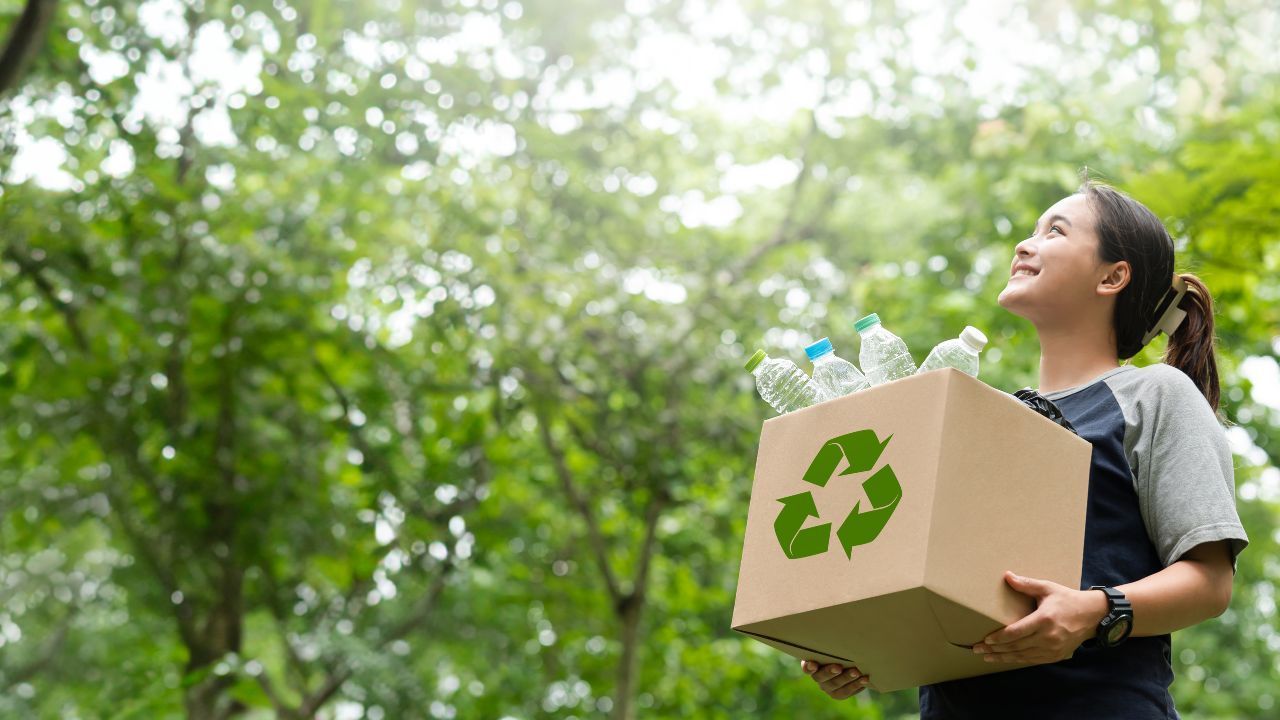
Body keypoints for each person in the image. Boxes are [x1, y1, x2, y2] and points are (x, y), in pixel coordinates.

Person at [800, 177, 1251, 718]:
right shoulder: (990, 417)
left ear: (1112, 276)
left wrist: (1094, 612)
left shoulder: (1154, 395)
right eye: (1031, 230)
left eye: (1055, 231)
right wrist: (857, 641)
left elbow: (1210, 581)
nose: (1024, 244)